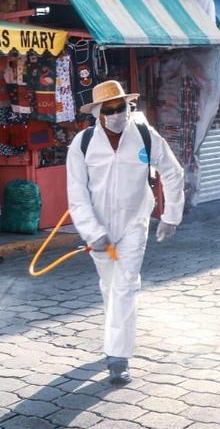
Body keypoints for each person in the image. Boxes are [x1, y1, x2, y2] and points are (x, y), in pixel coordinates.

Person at [66, 80, 185, 386]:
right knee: (110, 285)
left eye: (123, 107)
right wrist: (92, 232)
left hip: (135, 223)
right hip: (99, 227)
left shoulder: (144, 134)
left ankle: (118, 357)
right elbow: (77, 194)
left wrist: (170, 215)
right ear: (98, 113)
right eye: (111, 109)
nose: (119, 114)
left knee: (125, 285)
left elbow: (173, 172)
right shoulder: (81, 144)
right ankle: (114, 337)